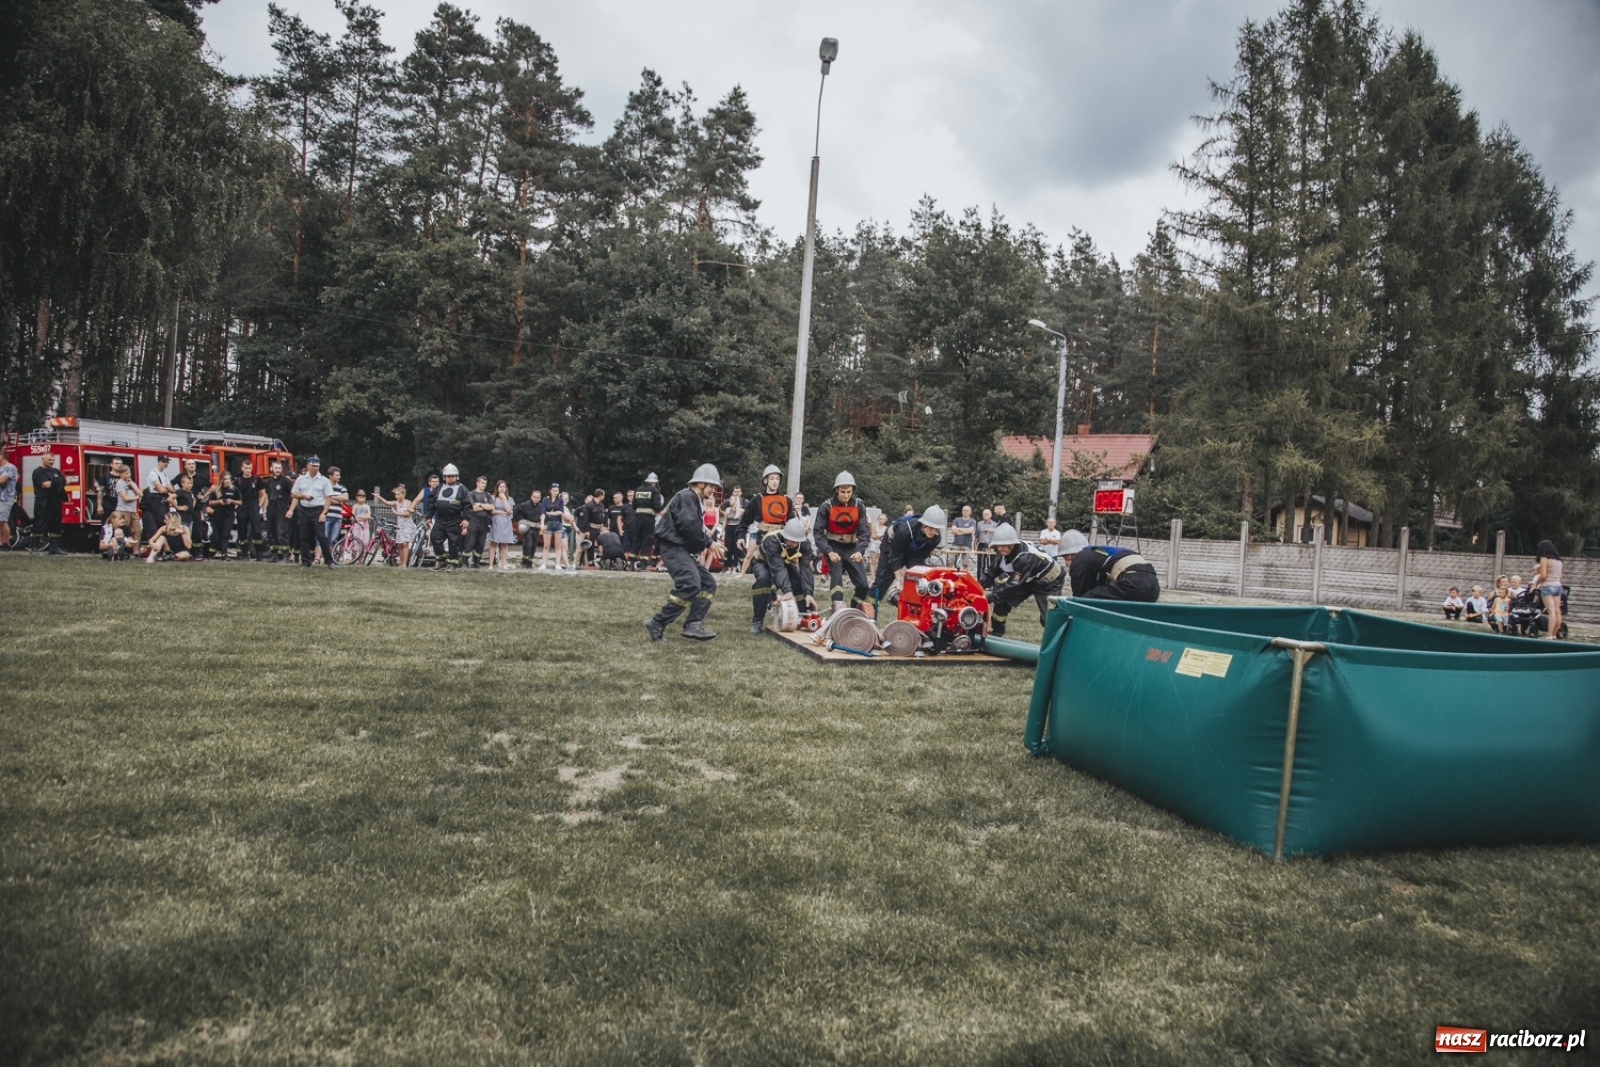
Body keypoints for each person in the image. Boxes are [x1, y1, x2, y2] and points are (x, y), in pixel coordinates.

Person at [644, 464, 725, 642]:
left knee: (707, 583)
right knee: (690, 583)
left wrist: (706, 543)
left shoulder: (692, 499)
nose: (713, 490)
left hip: (679, 548)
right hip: (673, 548)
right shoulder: (688, 497)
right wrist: (708, 543)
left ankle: (693, 625)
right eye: (711, 486)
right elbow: (689, 526)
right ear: (701, 483)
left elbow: (692, 528)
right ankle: (657, 622)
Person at [984, 523, 1066, 636]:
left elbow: (1012, 586)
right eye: (998, 545)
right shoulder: (1001, 553)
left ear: (1012, 544)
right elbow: (990, 573)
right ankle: (997, 632)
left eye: (1004, 545)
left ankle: (1058, 641)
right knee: (1002, 601)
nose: (1001, 548)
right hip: (1028, 579)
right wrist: (976, 588)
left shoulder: (1024, 557)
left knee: (1049, 619)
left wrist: (989, 598)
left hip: (1049, 583)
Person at [869, 504, 948, 616]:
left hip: (912, 553)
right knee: (882, 581)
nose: (933, 531)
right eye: (930, 527)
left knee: (917, 581)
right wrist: (898, 579)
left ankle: (913, 614)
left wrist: (909, 574)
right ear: (924, 524)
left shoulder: (936, 538)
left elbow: (919, 558)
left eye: (936, 529)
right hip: (891, 547)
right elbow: (895, 555)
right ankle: (869, 610)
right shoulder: (905, 529)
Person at [813, 470, 872, 614]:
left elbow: (864, 532)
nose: (846, 495)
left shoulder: (859, 505)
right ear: (836, 490)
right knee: (837, 580)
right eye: (843, 492)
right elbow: (818, 533)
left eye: (849, 492)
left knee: (864, 585)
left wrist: (860, 550)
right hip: (833, 547)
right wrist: (828, 552)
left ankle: (853, 610)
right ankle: (837, 612)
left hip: (852, 547)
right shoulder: (826, 506)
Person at [749, 517, 818, 634]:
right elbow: (778, 569)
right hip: (762, 562)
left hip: (784, 562)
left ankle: (805, 616)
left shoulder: (805, 544)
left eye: (796, 541)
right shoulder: (773, 540)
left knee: (798, 581)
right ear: (785, 536)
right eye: (790, 540)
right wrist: (787, 591)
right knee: (763, 579)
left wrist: (809, 593)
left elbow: (806, 569)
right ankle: (757, 621)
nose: (793, 544)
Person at [734, 464, 791, 575]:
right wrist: (741, 536)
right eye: (772, 478)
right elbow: (745, 520)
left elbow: (790, 520)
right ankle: (742, 573)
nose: (775, 481)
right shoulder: (757, 499)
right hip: (758, 531)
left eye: (777, 479)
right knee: (750, 554)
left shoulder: (786, 500)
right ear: (766, 480)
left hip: (778, 533)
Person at [1068, 541, 1160, 601]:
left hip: (1131, 581)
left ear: (1072, 555)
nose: (1067, 564)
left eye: (1066, 558)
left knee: (1086, 600)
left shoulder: (1081, 557)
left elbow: (1079, 597)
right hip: (1154, 584)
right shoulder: (1103, 552)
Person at [290, 456, 335, 568]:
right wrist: (303, 496)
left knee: (321, 536)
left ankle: (329, 561)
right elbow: (293, 494)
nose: (315, 468)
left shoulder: (324, 480)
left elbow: (329, 497)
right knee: (304, 536)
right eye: (313, 466)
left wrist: (324, 513)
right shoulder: (300, 479)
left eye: (317, 466)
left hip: (317, 509)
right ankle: (306, 561)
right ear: (308, 466)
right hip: (304, 509)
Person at [429, 463, 469, 570]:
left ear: (456, 477)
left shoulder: (462, 489)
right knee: (434, 537)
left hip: (455, 519)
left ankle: (453, 564)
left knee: (454, 542)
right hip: (440, 519)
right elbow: (432, 503)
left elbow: (468, 506)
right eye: (448, 476)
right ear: (444, 477)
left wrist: (466, 519)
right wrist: (428, 517)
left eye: (452, 476)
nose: (450, 478)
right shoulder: (439, 488)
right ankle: (441, 561)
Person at [31, 451, 68, 553]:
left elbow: (64, 481)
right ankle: (34, 547)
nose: (51, 462)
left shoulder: (56, 471)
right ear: (42, 459)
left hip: (55, 502)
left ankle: (54, 548)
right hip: (43, 502)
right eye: (49, 460)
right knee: (39, 524)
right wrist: (58, 482)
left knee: (56, 525)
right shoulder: (38, 472)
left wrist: (57, 483)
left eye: (53, 460)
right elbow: (46, 485)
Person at [630, 473, 665, 570]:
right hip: (649, 518)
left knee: (636, 539)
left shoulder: (638, 490)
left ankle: (631, 565)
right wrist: (661, 511)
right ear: (654, 483)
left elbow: (634, 505)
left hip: (638, 517)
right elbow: (657, 506)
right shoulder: (654, 490)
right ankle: (643, 565)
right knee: (647, 540)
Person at [1532, 540, 1565, 639]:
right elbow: (1560, 575)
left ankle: (1549, 634)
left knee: (1551, 611)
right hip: (1558, 586)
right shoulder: (1559, 561)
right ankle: (1554, 634)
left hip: (1547, 586)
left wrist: (1535, 584)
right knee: (1557, 611)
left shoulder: (1544, 558)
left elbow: (1543, 575)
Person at [265, 459, 295, 562]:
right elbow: (266, 495)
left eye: (279, 468)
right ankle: (274, 554)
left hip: (281, 508)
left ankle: (285, 555)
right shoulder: (269, 481)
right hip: (271, 507)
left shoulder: (286, 481)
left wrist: (290, 509)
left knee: (282, 532)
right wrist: (265, 509)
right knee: (271, 531)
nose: (277, 470)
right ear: (271, 468)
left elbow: (293, 494)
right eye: (275, 468)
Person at [208, 470, 241, 559]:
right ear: (221, 480)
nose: (227, 481)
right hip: (218, 514)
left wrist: (232, 501)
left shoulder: (234, 489)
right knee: (219, 534)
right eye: (225, 479)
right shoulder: (216, 490)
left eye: (229, 479)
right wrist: (219, 501)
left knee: (226, 534)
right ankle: (217, 551)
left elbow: (240, 502)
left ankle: (224, 554)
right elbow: (210, 502)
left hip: (229, 515)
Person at [465, 474, 494, 568]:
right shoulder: (471, 494)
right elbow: (473, 508)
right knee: (470, 542)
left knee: (481, 543)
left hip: (484, 521)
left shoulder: (488, 495)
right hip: (474, 520)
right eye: (482, 483)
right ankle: (464, 561)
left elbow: (492, 507)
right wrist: (485, 506)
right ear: (477, 483)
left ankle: (476, 562)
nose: (484, 485)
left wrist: (481, 505)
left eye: (485, 483)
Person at [488, 480, 516, 569]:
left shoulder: (509, 499)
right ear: (497, 488)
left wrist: (504, 498)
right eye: (500, 487)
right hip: (496, 521)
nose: (502, 488)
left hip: (506, 523)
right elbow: (492, 511)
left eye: (504, 487)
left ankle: (503, 564)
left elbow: (509, 510)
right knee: (493, 543)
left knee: (504, 544)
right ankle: (491, 565)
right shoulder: (493, 498)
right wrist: (503, 512)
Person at [514, 487, 543, 569]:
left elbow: (544, 516)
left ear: (540, 498)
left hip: (536, 528)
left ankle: (529, 562)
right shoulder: (524, 505)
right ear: (531, 496)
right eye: (534, 497)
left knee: (534, 546)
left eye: (537, 497)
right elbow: (515, 510)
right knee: (528, 544)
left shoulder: (541, 507)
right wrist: (522, 520)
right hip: (528, 528)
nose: (536, 499)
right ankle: (524, 562)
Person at [323, 466, 350, 551]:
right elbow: (323, 498)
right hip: (326, 515)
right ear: (330, 476)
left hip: (338, 516)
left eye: (339, 475)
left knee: (333, 539)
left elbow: (345, 498)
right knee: (324, 538)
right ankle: (320, 557)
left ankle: (331, 557)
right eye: (337, 475)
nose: (339, 477)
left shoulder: (342, 487)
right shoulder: (325, 486)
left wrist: (330, 498)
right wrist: (338, 498)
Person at [392, 484, 418, 568]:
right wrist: (379, 497)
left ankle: (404, 564)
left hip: (407, 525)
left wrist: (396, 513)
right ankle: (401, 562)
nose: (396, 496)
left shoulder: (408, 502)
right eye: (395, 494)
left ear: (403, 494)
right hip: (400, 525)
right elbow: (386, 502)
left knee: (405, 544)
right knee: (399, 545)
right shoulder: (396, 503)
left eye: (398, 494)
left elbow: (407, 514)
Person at [0, 454, 17, 549]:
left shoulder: (10, 467)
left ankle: (6, 543)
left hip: (5, 498)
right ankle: (1, 543)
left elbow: (2, 480)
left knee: (2, 521)